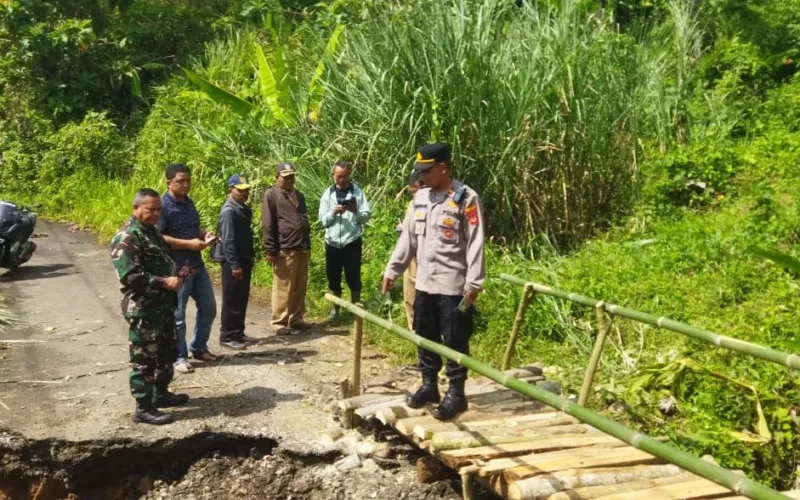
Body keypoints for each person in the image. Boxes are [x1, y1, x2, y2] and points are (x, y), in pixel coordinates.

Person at [382, 143, 486, 421]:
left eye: (426, 171)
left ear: (442, 167)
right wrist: (392, 270)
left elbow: (476, 243)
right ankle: (429, 385)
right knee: (424, 334)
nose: (422, 177)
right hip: (425, 284)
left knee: (454, 339)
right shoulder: (420, 199)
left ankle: (456, 392)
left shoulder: (466, 198)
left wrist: (474, 283)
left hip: (453, 285)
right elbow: (409, 239)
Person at [110, 188, 190, 425]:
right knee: (144, 358)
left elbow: (160, 260)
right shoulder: (127, 237)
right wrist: (165, 281)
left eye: (158, 210)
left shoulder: (151, 232)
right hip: (144, 308)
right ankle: (143, 408)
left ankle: (160, 393)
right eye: (150, 209)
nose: (155, 214)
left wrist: (177, 274)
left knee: (166, 351)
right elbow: (131, 275)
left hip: (162, 305)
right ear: (136, 208)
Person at [157, 163, 218, 374]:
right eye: (180, 181)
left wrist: (203, 235)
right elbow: (159, 237)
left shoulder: (188, 203)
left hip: (196, 265)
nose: (185, 185)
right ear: (169, 183)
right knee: (178, 315)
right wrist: (189, 244)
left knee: (209, 308)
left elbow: (193, 227)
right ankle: (179, 356)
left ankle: (199, 347)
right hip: (176, 268)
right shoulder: (163, 206)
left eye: (188, 181)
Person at [262, 162, 313, 334]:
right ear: (277, 177)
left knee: (300, 285)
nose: (289, 180)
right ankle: (279, 321)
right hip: (285, 247)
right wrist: (270, 249)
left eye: (292, 176)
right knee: (283, 287)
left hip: (302, 246)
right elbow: (268, 224)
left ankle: (296, 318)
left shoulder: (299, 195)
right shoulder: (271, 195)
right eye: (285, 177)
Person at [319, 161, 372, 320]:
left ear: (349, 175)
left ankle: (355, 309)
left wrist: (355, 211)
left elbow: (366, 216)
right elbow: (323, 220)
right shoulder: (328, 194)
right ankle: (335, 310)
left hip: (352, 241)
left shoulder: (357, 192)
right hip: (332, 242)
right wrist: (333, 212)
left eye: (344, 176)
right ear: (333, 175)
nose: (341, 179)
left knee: (353, 275)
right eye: (338, 176)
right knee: (333, 276)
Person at [214, 175, 255, 351]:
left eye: (246, 189)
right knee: (232, 299)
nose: (244, 193)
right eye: (240, 190)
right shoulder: (229, 211)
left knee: (241, 297)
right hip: (233, 261)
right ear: (231, 189)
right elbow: (228, 241)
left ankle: (238, 332)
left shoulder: (242, 208)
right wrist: (234, 265)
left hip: (244, 259)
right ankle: (228, 335)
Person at [401, 171, 424, 331]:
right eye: (412, 193)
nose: (415, 196)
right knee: (409, 296)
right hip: (411, 258)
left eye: (417, 192)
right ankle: (413, 331)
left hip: (426, 259)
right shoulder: (411, 205)